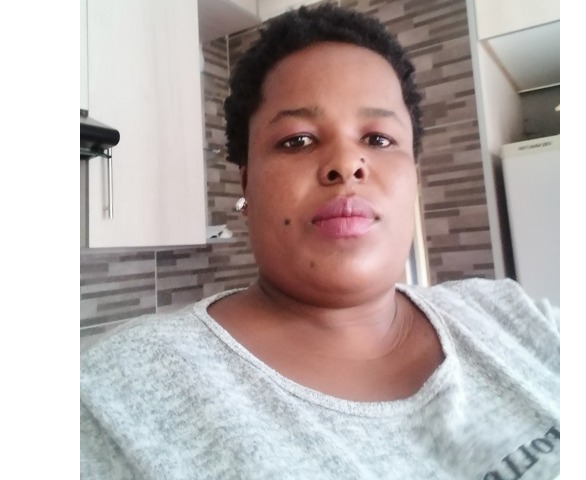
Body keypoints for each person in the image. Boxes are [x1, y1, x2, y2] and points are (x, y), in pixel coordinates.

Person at [80, 4, 560, 479]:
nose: (346, 164)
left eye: (378, 139)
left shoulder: (513, 315)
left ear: (414, 174)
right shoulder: (114, 396)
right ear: (247, 182)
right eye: (298, 140)